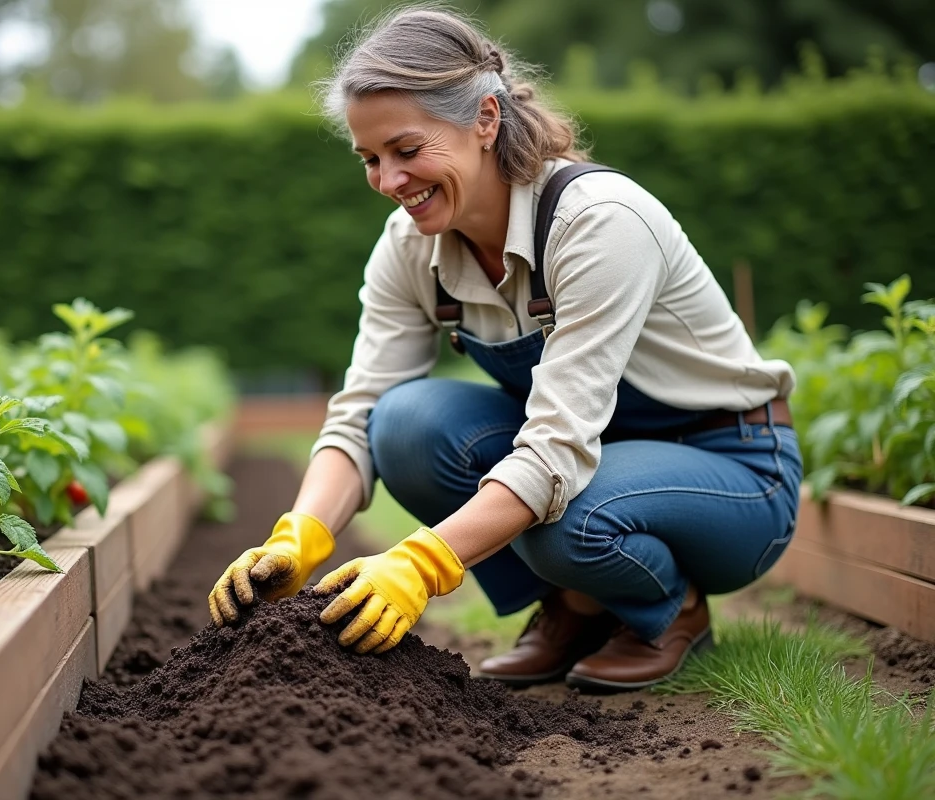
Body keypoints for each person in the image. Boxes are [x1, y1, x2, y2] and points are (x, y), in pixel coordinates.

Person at [208, 5, 801, 692]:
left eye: (407, 150)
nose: (389, 182)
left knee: (566, 518)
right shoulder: (411, 247)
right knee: (404, 425)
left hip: (733, 469)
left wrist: (422, 564)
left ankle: (671, 612)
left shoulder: (597, 223)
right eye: (371, 160)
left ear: (485, 119)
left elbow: (555, 450)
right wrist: (301, 535)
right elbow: (361, 412)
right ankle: (576, 606)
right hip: (596, 458)